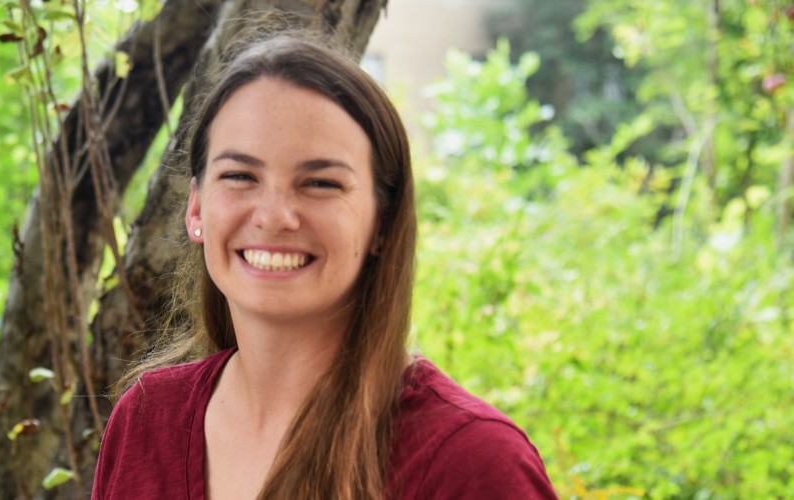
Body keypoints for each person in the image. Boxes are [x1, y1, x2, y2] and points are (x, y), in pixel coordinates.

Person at [92, 34, 557, 500]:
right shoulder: (148, 420)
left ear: (383, 222)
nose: (274, 216)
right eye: (239, 176)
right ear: (196, 210)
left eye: (319, 182)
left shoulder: (473, 462)